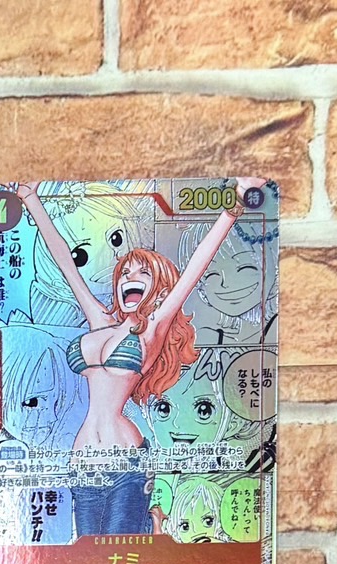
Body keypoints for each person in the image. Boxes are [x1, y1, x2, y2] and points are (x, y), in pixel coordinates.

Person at [15, 178, 266, 541]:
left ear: (159, 290)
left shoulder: (151, 330)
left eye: (143, 273)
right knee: (89, 556)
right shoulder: (99, 320)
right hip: (82, 461)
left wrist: (234, 206)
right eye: (125, 274)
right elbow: (67, 265)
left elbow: (195, 268)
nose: (129, 279)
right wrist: (30, 198)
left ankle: (151, 525)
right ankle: (152, 524)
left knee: (117, 556)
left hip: (127, 459)